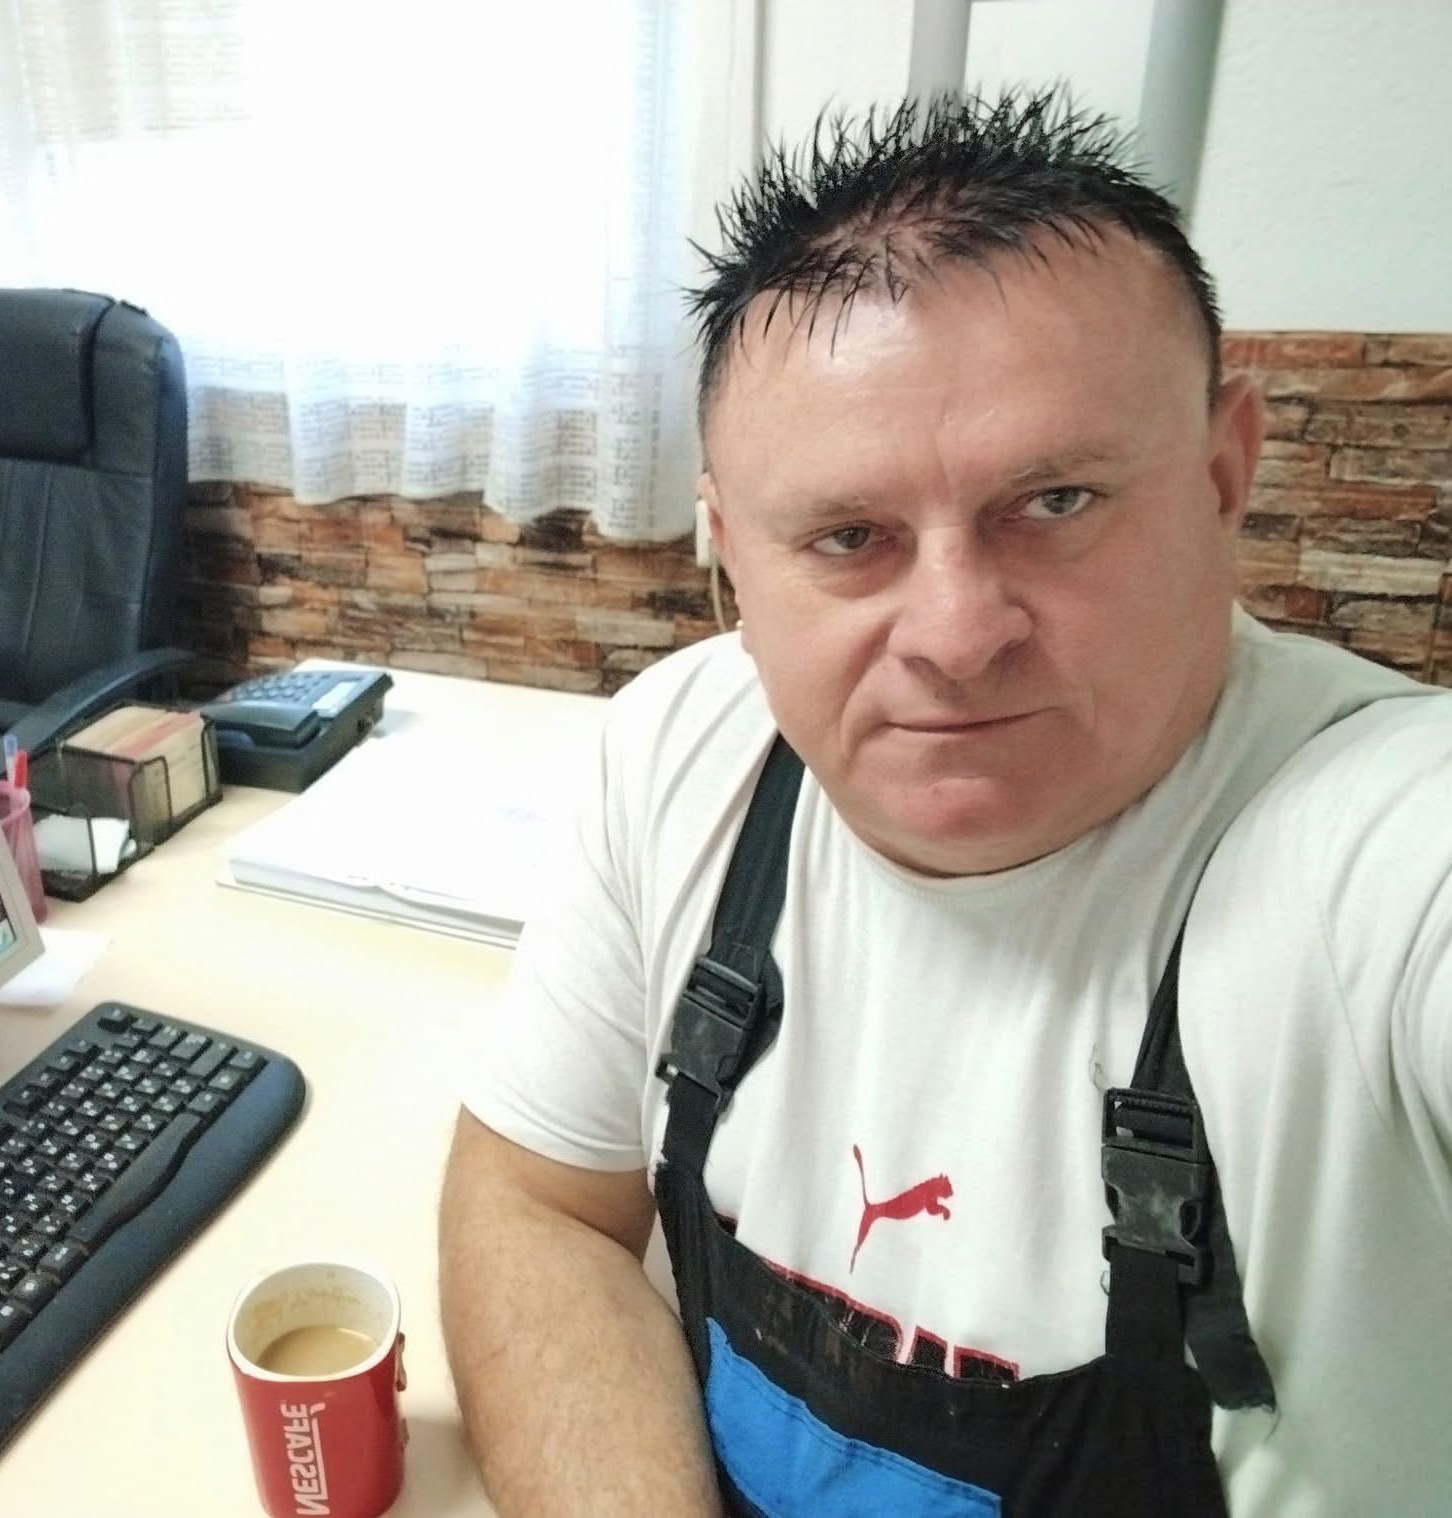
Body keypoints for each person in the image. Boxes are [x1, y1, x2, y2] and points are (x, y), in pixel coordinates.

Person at [439, 90, 1452, 1517]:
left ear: (1225, 473)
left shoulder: (1378, 853)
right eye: (848, 536)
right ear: (729, 552)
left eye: (1057, 502)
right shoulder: (685, 748)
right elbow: (540, 1200)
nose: (959, 633)